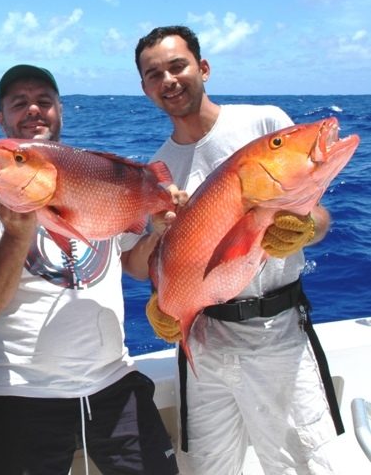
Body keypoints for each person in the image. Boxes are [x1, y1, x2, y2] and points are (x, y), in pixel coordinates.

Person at [132, 26, 344, 474]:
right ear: (145, 88)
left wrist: (305, 228)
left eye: (178, 65)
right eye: (155, 74)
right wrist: (163, 303)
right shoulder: (158, 168)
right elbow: (149, 262)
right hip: (202, 344)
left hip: (277, 336)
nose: (168, 79)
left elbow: (321, 217)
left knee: (304, 466)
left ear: (203, 68)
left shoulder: (265, 126)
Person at [0, 65, 179, 475]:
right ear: (0, 118)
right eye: (19, 103)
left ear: (60, 110)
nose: (33, 110)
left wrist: (158, 232)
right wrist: (18, 232)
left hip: (115, 382)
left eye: (44, 101)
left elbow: (134, 266)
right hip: (21, 395)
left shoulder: (93, 175)